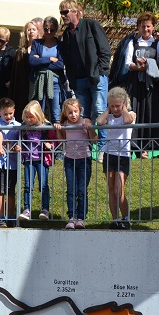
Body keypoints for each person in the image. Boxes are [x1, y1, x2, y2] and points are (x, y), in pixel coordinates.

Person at [59, 0, 111, 144]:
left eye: (65, 12)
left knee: (100, 111)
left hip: (96, 77)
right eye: (61, 13)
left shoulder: (91, 25)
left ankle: (102, 147)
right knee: (84, 114)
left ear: (75, 12)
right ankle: (86, 147)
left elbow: (105, 51)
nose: (62, 16)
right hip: (79, 80)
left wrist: (101, 71)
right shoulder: (66, 34)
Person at [122, 11, 159, 155]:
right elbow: (128, 63)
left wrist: (148, 65)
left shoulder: (158, 43)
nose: (145, 29)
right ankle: (135, 146)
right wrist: (139, 66)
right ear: (138, 27)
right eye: (143, 26)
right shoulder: (132, 43)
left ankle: (147, 146)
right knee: (135, 111)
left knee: (150, 111)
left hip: (151, 82)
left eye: (148, 26)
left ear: (153, 27)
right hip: (135, 81)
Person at [55, 97, 96, 229]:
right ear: (65, 114)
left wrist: (89, 128)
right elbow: (62, 142)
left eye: (75, 111)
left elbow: (95, 140)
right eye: (70, 112)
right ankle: (72, 217)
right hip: (69, 160)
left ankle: (81, 217)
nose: (73, 115)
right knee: (71, 189)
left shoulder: (85, 122)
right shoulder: (65, 124)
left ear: (80, 111)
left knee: (82, 189)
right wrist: (58, 129)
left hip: (84, 159)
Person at [98, 87, 135, 229]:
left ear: (124, 104)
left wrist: (124, 109)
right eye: (112, 106)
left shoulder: (130, 113)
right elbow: (100, 122)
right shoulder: (109, 116)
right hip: (110, 154)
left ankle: (126, 218)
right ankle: (115, 219)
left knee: (119, 189)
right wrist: (108, 110)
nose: (115, 109)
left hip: (123, 155)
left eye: (117, 106)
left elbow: (127, 120)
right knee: (111, 188)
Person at [17, 100, 55, 222]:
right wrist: (20, 147)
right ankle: (26, 209)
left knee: (43, 185)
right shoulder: (24, 127)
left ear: (38, 115)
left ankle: (45, 209)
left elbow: (54, 140)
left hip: (42, 160)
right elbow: (20, 140)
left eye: (31, 117)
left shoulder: (46, 126)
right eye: (26, 117)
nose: (28, 119)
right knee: (28, 185)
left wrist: (51, 145)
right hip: (29, 160)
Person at [29, 17, 66, 128]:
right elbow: (31, 61)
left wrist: (39, 60)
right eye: (46, 29)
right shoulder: (37, 43)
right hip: (39, 82)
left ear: (56, 31)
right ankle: (40, 142)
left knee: (56, 114)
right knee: (38, 113)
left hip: (54, 82)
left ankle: (57, 142)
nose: (49, 32)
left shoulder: (60, 45)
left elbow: (60, 64)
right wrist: (49, 59)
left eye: (52, 30)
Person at [0, 97, 21, 227]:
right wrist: (2, 146)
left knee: (10, 191)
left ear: (14, 111)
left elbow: (20, 141)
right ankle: (2, 217)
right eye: (5, 114)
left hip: (12, 163)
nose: (8, 116)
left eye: (10, 113)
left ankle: (10, 217)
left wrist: (17, 147)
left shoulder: (18, 126)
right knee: (0, 190)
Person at [10, 19, 44, 113]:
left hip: (36, 83)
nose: (31, 32)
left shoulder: (41, 49)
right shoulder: (21, 51)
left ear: (37, 31)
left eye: (33, 29)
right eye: (29, 29)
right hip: (23, 85)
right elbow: (16, 73)